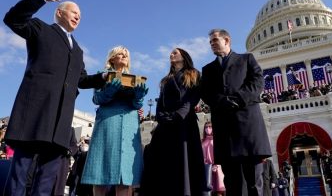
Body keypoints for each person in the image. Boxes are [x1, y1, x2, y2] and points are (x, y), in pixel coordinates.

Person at [3, 0, 107, 195]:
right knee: (20, 175)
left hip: (59, 123)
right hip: (35, 115)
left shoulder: (78, 50)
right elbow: (13, 19)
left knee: (46, 182)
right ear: (60, 12)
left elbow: (82, 79)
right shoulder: (41, 29)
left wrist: (104, 77)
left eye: (80, 14)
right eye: (74, 11)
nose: (78, 16)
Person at [201, 29, 272, 196]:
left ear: (227, 40)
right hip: (225, 132)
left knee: (254, 182)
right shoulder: (208, 69)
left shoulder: (246, 59)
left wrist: (238, 99)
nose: (212, 44)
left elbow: (257, 82)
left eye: (215, 40)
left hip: (248, 129)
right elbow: (206, 93)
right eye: (210, 42)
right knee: (232, 183)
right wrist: (222, 101)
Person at [81, 46, 148, 195]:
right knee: (100, 173)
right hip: (107, 124)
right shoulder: (102, 76)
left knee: (125, 176)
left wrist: (139, 96)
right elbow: (96, 99)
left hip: (130, 125)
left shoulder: (135, 79)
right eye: (120, 54)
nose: (124, 56)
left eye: (126, 55)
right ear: (112, 58)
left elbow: (137, 105)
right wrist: (108, 91)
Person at [140, 48, 206, 196]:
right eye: (171, 53)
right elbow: (160, 103)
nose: (171, 54)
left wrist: (178, 115)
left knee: (185, 164)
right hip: (165, 126)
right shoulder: (166, 80)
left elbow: (192, 98)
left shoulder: (194, 74)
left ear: (184, 56)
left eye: (175, 52)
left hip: (184, 124)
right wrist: (161, 117)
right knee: (161, 165)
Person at [202, 121, 225, 196]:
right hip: (206, 168)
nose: (208, 129)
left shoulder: (216, 140)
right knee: (208, 191)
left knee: (219, 190)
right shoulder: (203, 141)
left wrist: (216, 164)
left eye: (210, 127)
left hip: (217, 167)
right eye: (206, 127)